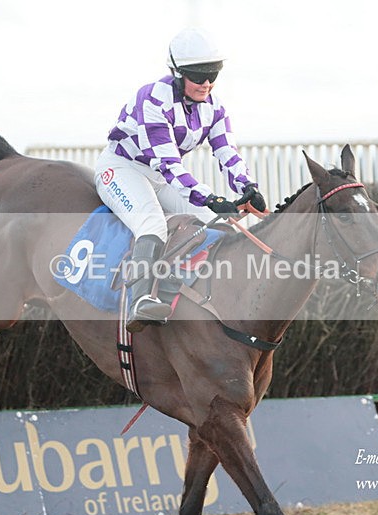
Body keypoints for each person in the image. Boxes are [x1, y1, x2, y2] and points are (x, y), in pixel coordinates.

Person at [94, 27, 267, 333]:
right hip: (123, 169)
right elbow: (170, 165)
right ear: (177, 73)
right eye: (198, 76)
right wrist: (212, 197)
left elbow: (227, 152)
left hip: (160, 177)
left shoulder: (214, 108)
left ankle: (185, 290)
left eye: (213, 74)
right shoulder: (152, 99)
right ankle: (141, 301)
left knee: (215, 223)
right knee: (152, 224)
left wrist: (247, 187)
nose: (207, 83)